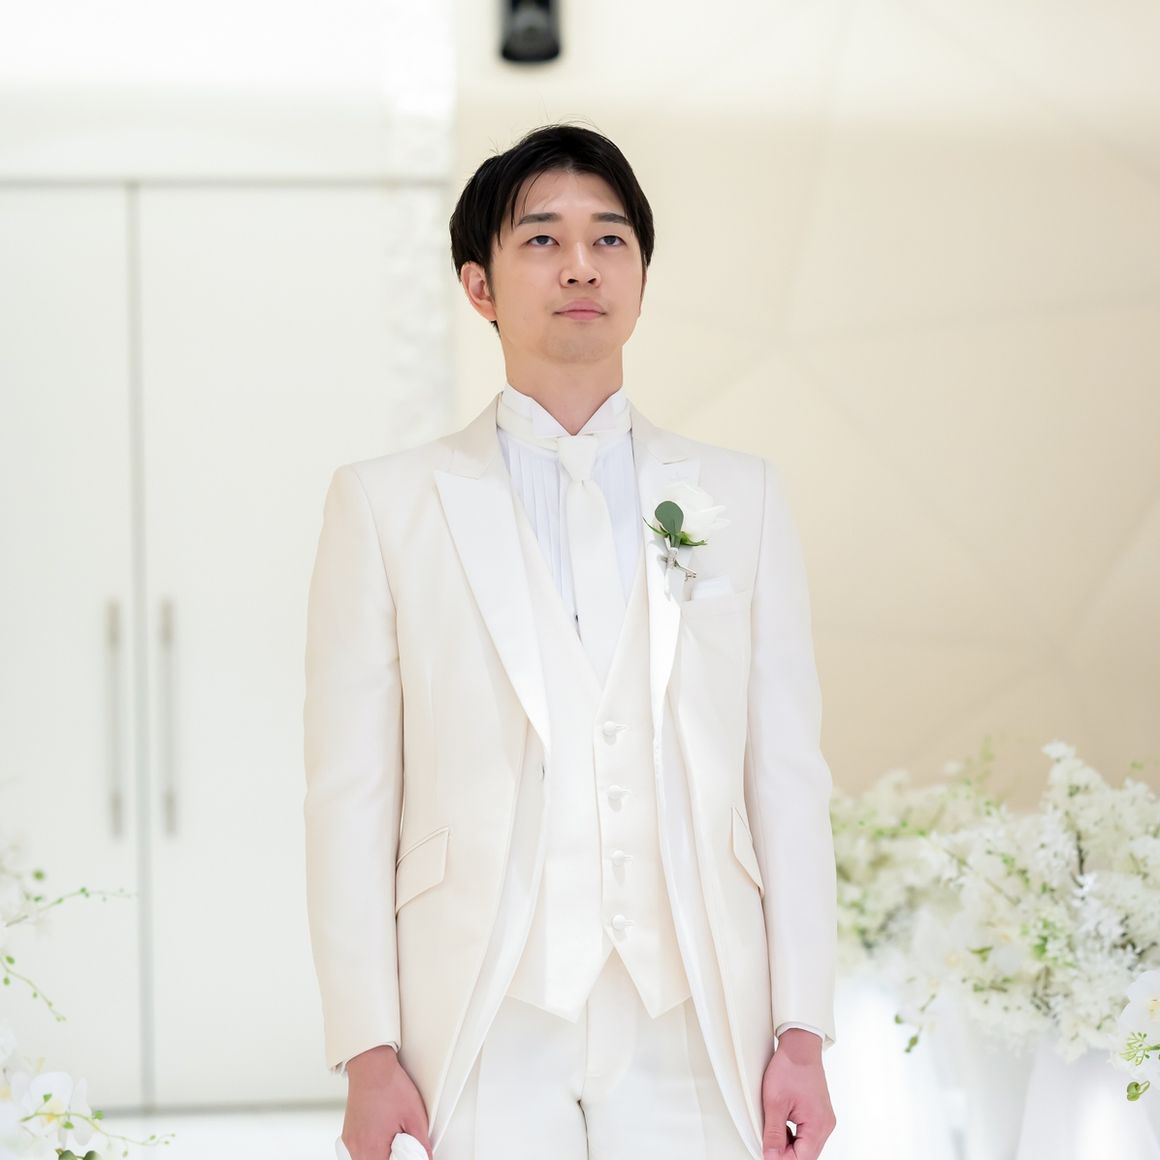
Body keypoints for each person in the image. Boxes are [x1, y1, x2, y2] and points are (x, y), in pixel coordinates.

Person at [303, 122, 838, 1160]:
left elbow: (786, 776)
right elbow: (349, 794)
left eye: (610, 238)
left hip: (696, 1008)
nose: (581, 265)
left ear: (640, 277)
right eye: (542, 239)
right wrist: (367, 1049)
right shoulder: (385, 504)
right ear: (479, 285)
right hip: (481, 1006)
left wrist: (802, 1029)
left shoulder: (742, 496)